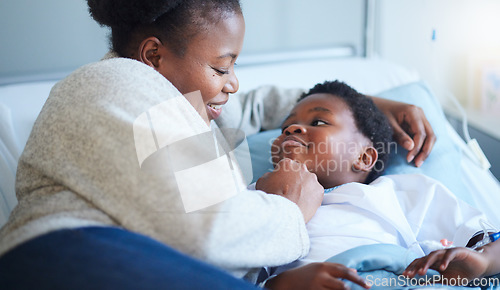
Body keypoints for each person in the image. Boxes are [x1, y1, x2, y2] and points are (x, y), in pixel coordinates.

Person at [0, 1, 435, 289]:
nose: (233, 83)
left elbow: (257, 106)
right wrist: (290, 209)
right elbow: (207, 231)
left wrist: (368, 105)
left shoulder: (181, 103)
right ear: (154, 56)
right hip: (70, 253)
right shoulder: (116, 86)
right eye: (221, 67)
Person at [261, 80, 489, 288]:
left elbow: (486, 238)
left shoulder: (398, 193)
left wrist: (485, 262)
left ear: (364, 158)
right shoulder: (256, 195)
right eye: (285, 128)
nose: (291, 130)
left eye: (319, 122)